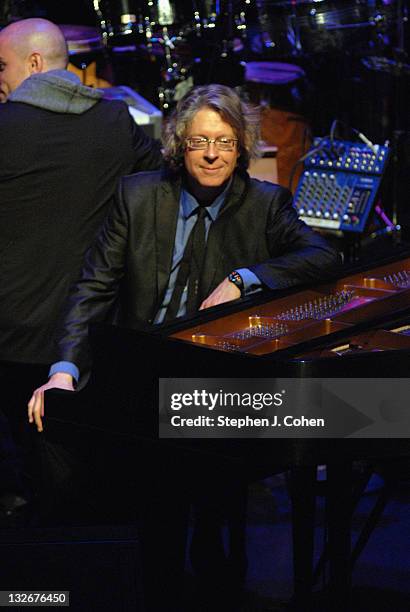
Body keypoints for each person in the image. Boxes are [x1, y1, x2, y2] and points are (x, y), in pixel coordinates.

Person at [28, 84, 338, 610]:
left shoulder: (266, 203)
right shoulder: (137, 194)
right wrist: (63, 370)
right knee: (56, 428)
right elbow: (93, 288)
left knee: (200, 473)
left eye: (223, 142)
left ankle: (210, 561)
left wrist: (246, 278)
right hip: (139, 369)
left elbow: (321, 257)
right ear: (179, 145)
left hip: (216, 376)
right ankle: (103, 579)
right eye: (199, 142)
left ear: (242, 147)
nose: (212, 154)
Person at [0, 17, 162, 517]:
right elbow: (156, 191)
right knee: (90, 481)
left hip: (15, 339)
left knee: (37, 478)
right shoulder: (116, 122)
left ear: (32, 63)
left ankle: (42, 587)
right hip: (93, 335)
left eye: (1, 66)